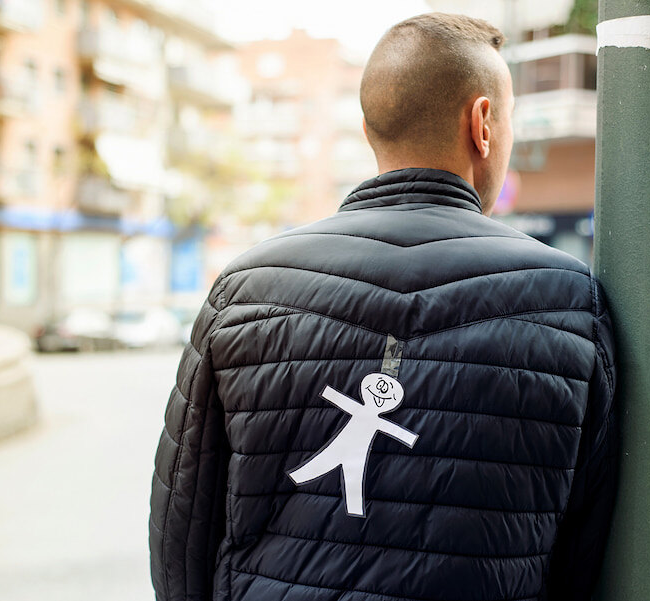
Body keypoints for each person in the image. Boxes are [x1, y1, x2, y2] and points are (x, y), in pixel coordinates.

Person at [150, 12, 617, 601]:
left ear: (370, 127)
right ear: (483, 125)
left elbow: (182, 530)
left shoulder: (245, 290)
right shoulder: (569, 303)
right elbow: (587, 546)